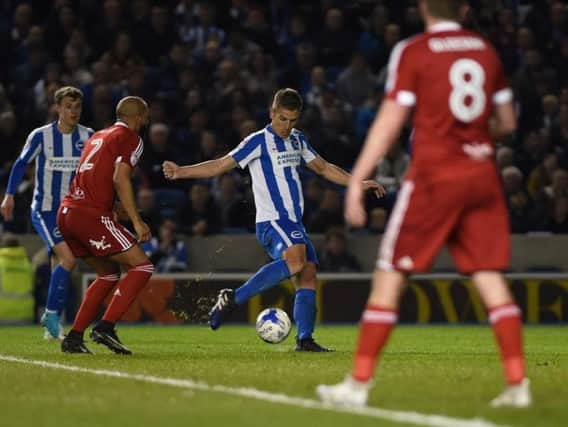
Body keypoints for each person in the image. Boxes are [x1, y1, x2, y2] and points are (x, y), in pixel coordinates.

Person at [316, 0, 531, 408]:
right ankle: (517, 384)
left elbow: (390, 120)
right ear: (464, 10)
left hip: (434, 178)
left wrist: (356, 180)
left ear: (422, 8)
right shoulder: (485, 50)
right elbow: (507, 123)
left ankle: (357, 386)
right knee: (489, 278)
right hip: (482, 176)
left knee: (389, 278)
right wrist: (474, 140)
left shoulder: (413, 51)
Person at [163, 88, 384, 352]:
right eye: (282, 119)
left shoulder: (298, 140)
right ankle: (232, 298)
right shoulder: (257, 141)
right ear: (271, 113)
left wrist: (357, 183)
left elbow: (324, 168)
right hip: (273, 221)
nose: (286, 126)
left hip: (293, 223)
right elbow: (220, 165)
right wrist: (180, 172)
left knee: (308, 274)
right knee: (298, 260)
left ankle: (304, 339)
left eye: (292, 120)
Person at [57, 96, 154, 355]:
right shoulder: (132, 138)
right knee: (142, 265)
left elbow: (93, 175)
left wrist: (111, 207)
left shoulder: (98, 135)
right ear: (137, 118)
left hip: (68, 212)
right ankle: (105, 327)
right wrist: (136, 221)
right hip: (89, 215)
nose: (146, 121)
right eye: (145, 116)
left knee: (109, 274)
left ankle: (74, 338)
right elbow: (120, 178)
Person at [0, 86, 93, 340]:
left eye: (77, 107)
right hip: (45, 209)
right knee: (69, 259)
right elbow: (21, 164)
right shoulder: (41, 136)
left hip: (72, 212)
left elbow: (95, 173)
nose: (73, 112)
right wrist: (9, 195)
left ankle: (51, 326)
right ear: (57, 108)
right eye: (68, 107)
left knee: (61, 265)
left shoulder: (88, 136)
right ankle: (50, 315)